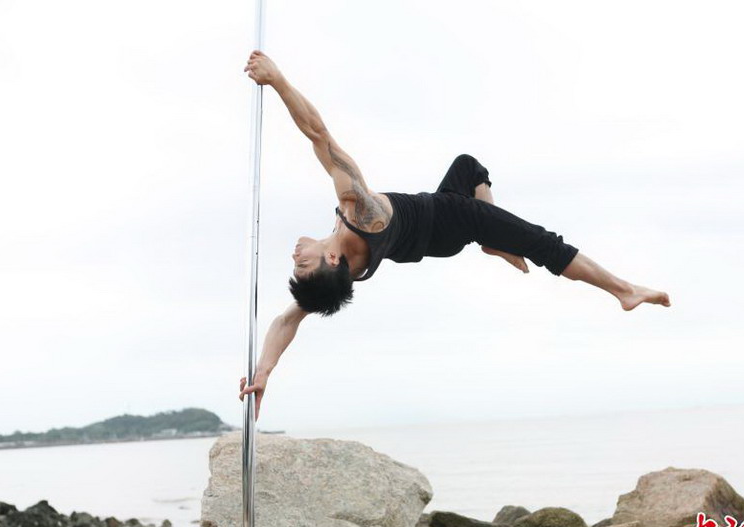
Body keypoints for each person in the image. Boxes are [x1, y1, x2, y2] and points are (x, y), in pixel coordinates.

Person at [238, 51, 670, 418]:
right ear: (332, 260)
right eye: (302, 260)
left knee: (469, 167)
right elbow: (318, 134)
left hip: (436, 239)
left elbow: (285, 320)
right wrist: (277, 80)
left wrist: (263, 375)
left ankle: (496, 242)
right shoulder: (359, 211)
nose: (296, 253)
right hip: (454, 219)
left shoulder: (340, 277)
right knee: (544, 245)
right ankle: (623, 291)